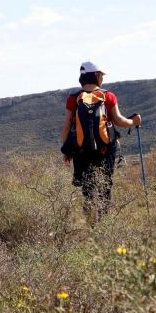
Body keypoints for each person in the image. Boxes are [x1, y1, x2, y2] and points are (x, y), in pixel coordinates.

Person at [60, 61, 141, 218]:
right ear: (96, 76)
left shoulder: (73, 98)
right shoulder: (108, 96)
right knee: (105, 186)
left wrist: (64, 150)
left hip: (81, 150)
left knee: (88, 190)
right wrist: (134, 122)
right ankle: (105, 225)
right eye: (101, 75)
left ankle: (91, 226)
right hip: (106, 149)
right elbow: (118, 121)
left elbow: (66, 127)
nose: (102, 78)